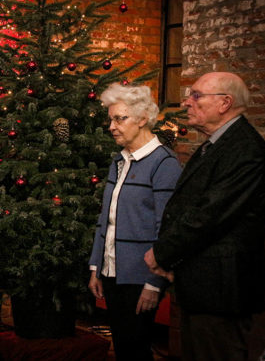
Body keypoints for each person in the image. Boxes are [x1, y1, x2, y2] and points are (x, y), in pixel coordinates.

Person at [144, 72, 265, 361]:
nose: (186, 102)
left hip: (221, 290)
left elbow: (210, 215)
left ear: (225, 103)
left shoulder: (245, 149)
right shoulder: (215, 144)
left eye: (196, 95)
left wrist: (162, 253)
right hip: (202, 285)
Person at [88, 83, 182, 361]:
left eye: (120, 118)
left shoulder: (164, 164)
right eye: (111, 119)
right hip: (112, 272)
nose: (112, 126)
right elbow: (106, 219)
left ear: (142, 119)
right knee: (124, 348)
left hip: (141, 277)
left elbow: (166, 229)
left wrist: (154, 284)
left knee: (136, 350)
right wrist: (96, 267)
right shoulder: (119, 161)